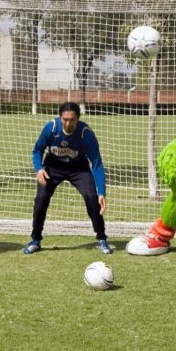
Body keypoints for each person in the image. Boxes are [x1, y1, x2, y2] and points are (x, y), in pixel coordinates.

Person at [25, 101, 112, 254]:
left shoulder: (86, 134)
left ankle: (102, 238)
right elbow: (37, 150)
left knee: (91, 197)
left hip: (78, 168)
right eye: (65, 119)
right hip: (53, 167)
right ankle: (35, 239)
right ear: (60, 118)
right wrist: (39, 169)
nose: (68, 123)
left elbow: (97, 164)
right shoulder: (51, 128)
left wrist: (101, 192)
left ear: (78, 118)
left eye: (72, 119)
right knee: (41, 199)